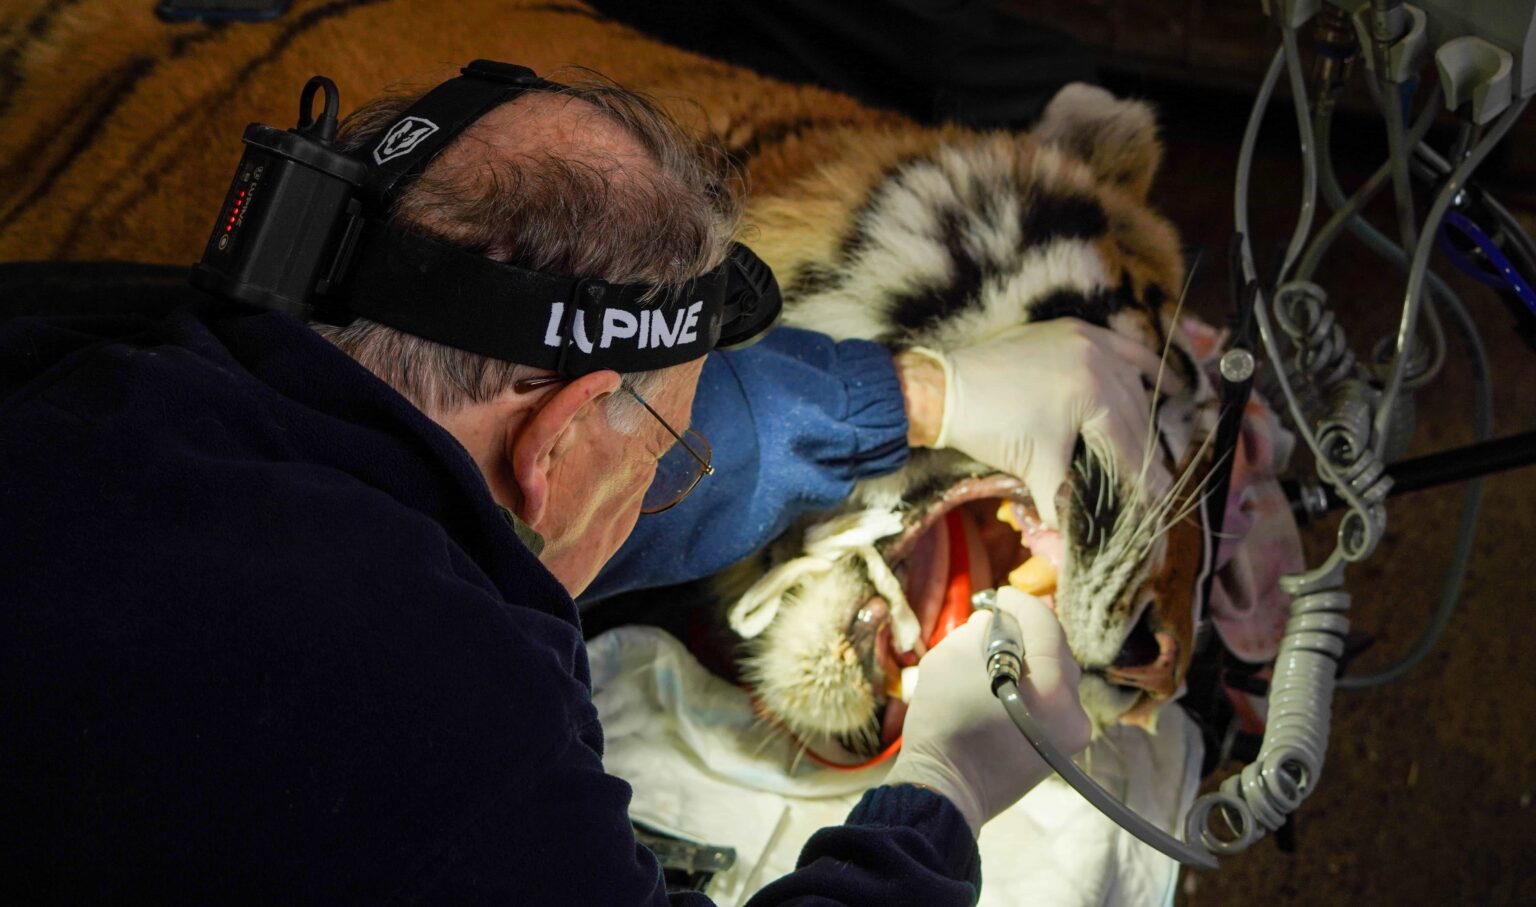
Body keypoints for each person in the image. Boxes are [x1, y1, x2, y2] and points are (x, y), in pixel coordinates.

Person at [0, 67, 1149, 904]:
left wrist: (918, 394)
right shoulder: (437, 725)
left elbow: (493, 480)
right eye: (668, 450)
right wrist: (939, 798)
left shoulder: (100, 336)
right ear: (556, 443)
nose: (671, 482)